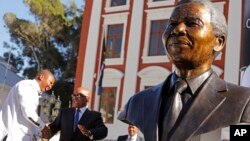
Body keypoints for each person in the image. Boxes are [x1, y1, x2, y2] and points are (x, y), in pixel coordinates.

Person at [117, 0, 250, 141]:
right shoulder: (136, 103)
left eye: (192, 23)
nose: (177, 29)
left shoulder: (244, 102)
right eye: (172, 24)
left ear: (218, 42)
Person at [0, 69, 55, 141]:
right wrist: (43, 128)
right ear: (41, 77)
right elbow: (29, 113)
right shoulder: (27, 86)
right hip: (10, 136)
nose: (50, 87)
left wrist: (39, 134)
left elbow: (29, 122)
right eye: (50, 83)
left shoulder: (34, 91)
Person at [42, 86, 108, 141]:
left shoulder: (94, 115)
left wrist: (89, 133)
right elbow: (53, 128)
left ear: (87, 99)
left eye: (79, 95)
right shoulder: (64, 113)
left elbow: (103, 131)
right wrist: (45, 131)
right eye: (74, 95)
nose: (75, 98)